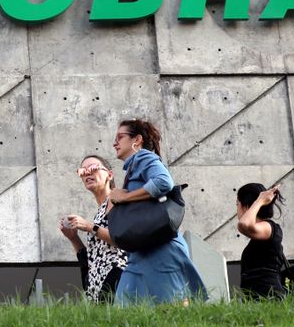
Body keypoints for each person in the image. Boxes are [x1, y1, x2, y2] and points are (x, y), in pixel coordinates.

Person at [108, 119, 206, 305]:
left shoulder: (144, 157)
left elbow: (163, 182)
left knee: (172, 311)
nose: (115, 143)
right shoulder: (133, 166)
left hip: (162, 251)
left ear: (137, 140)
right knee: (123, 311)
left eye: (120, 137)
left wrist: (125, 197)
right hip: (142, 253)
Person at [60, 155, 128, 303]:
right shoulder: (100, 211)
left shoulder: (116, 197)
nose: (87, 173)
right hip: (98, 286)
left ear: (109, 175)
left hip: (116, 278)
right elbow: (93, 259)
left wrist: (90, 227)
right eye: (82, 171)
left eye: (93, 168)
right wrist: (73, 238)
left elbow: (123, 239)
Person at [236, 182, 287, 300]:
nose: (237, 210)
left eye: (237, 204)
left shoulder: (269, 227)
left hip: (269, 297)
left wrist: (259, 201)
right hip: (258, 297)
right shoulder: (262, 231)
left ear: (246, 206)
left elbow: (244, 224)